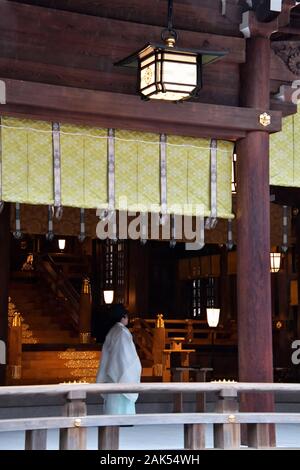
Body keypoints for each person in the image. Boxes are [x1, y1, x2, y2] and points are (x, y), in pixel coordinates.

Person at [96, 304, 142, 414]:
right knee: (122, 397)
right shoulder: (122, 332)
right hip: (122, 372)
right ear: (123, 317)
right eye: (127, 316)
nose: (128, 319)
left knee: (114, 399)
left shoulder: (112, 331)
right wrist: (135, 366)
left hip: (112, 372)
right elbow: (126, 355)